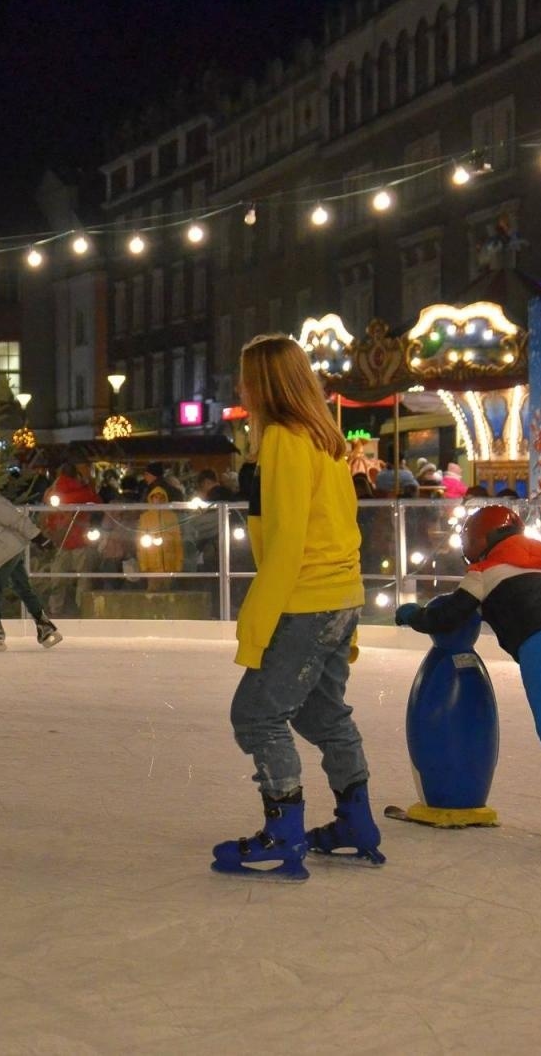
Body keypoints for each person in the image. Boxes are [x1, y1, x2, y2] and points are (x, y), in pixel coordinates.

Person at [212, 335, 381, 882]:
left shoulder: (285, 440)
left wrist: (256, 622)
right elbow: (344, 526)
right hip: (339, 595)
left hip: (306, 599)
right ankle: (356, 822)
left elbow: (286, 542)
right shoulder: (326, 441)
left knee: (257, 714)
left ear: (265, 383)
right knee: (321, 713)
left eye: (246, 379)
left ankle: (283, 833)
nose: (241, 389)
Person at [396, 506, 541, 852]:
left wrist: (415, 615)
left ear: (481, 540)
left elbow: (449, 616)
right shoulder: (536, 568)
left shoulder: (484, 572)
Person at [0, 466, 61, 651]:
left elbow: (17, 520)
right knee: (22, 587)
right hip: (8, 551)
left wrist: (39, 537)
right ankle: (45, 626)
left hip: (7, 551)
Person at [40, 463, 99, 616]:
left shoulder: (52, 493)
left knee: (57, 579)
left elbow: (47, 516)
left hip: (60, 540)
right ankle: (83, 610)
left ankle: (55, 611)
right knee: (83, 578)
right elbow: (97, 502)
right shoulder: (84, 491)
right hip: (80, 540)